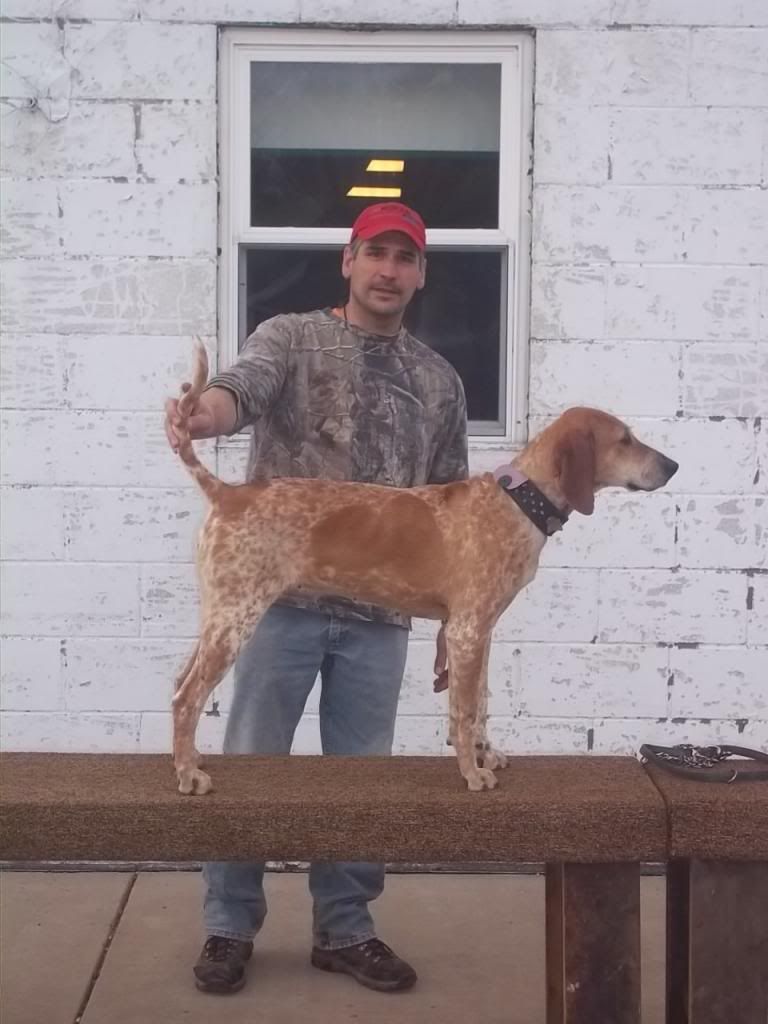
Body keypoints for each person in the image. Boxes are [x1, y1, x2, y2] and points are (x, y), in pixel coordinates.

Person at [164, 201, 469, 996]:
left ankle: (346, 930)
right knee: (251, 764)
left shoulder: (438, 380)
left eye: (405, 258)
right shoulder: (291, 338)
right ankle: (229, 925)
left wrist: (451, 620)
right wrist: (204, 414)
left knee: (362, 781)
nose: (388, 271)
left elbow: (453, 508)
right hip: (283, 601)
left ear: (421, 274)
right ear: (348, 260)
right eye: (376, 253)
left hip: (382, 617)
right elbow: (240, 390)